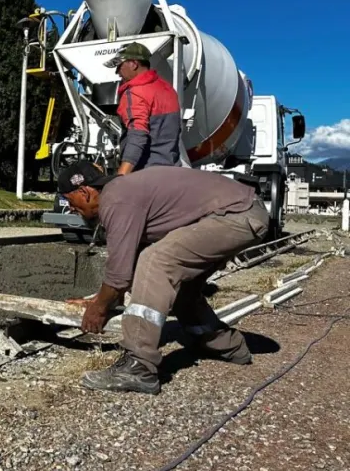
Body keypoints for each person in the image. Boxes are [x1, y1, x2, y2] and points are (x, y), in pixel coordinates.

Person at [57, 160, 268, 394]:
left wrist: (98, 309)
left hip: (235, 214)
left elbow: (119, 275)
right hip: (240, 211)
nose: (70, 208)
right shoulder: (125, 193)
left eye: (69, 200)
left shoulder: (116, 199)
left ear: (84, 192)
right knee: (182, 288)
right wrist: (102, 299)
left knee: (155, 261)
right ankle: (228, 347)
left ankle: (139, 365)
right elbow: (127, 266)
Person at [102, 42, 183, 175]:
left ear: (133, 64)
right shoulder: (168, 90)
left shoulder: (134, 93)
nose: (117, 72)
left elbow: (137, 136)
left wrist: (121, 175)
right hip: (171, 170)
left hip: (145, 174)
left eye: (119, 66)